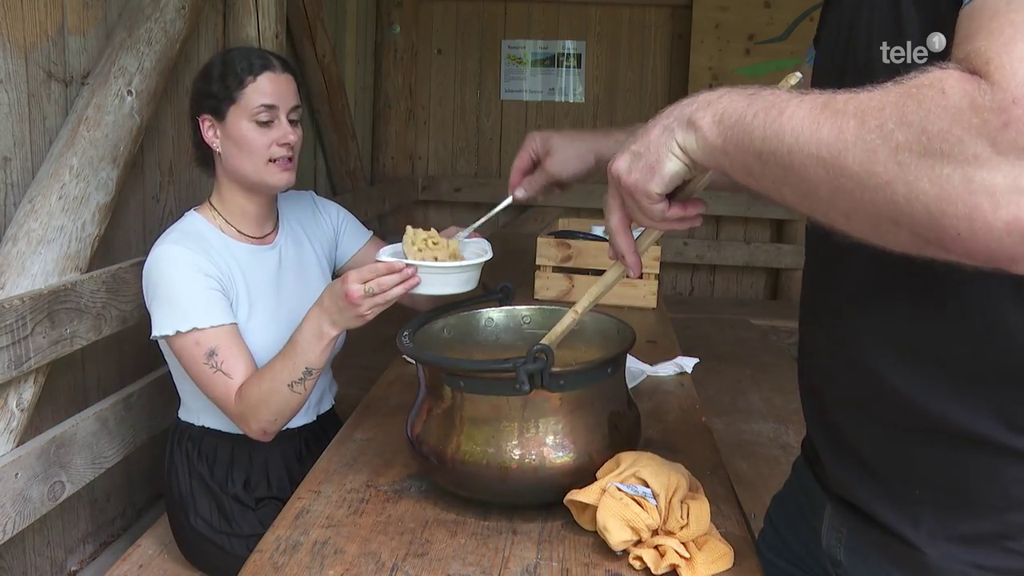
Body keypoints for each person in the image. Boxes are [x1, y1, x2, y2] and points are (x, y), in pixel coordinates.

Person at [507, 1, 1024, 574]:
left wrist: (700, 126)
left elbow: (1006, 169)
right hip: (827, 492)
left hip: (978, 535)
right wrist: (621, 147)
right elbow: (836, 135)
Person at [140, 46, 473, 575]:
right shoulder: (181, 259)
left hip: (322, 441)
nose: (289, 135)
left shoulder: (315, 215)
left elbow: (416, 290)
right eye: (265, 120)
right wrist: (327, 316)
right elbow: (256, 418)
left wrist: (449, 255)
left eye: (294, 120)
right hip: (228, 481)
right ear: (213, 132)